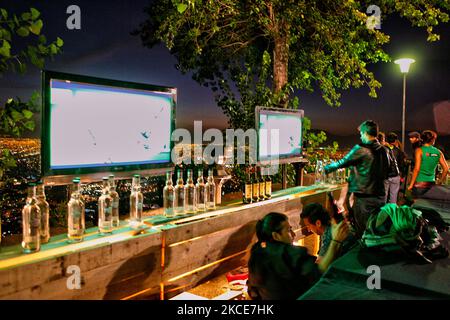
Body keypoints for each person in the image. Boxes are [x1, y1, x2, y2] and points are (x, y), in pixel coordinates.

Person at [247, 212, 350, 300]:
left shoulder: (256, 253)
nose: (293, 234)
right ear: (276, 236)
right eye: (288, 230)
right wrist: (336, 241)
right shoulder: (290, 253)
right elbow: (318, 273)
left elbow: (253, 292)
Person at [324, 120, 390, 238]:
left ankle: (363, 254)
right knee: (376, 228)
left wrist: (326, 168)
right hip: (381, 196)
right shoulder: (385, 150)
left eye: (361, 133)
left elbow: (342, 162)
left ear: (365, 133)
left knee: (363, 232)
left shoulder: (360, 148)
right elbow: (391, 172)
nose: (360, 136)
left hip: (364, 198)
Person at [408, 130, 449, 198]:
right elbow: (446, 169)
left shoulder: (419, 150)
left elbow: (416, 169)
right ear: (432, 140)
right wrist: (440, 182)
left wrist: (411, 184)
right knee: (427, 206)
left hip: (419, 184)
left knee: (417, 206)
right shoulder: (438, 152)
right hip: (431, 184)